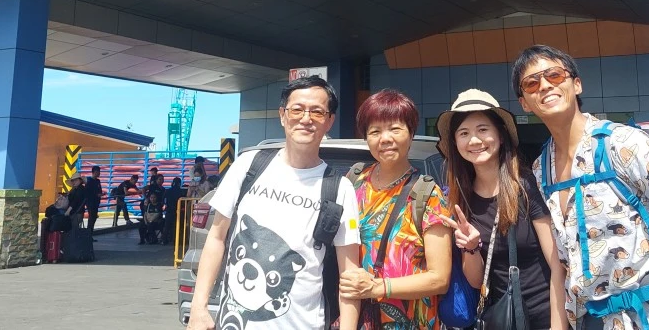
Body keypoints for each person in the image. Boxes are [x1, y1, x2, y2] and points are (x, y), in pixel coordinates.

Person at [514, 45, 649, 330]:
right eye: (532, 83)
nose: (545, 85)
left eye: (555, 75)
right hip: (592, 321)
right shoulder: (541, 169)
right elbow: (561, 265)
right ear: (524, 103)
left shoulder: (623, 143)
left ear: (576, 84)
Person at [187, 76, 362, 330]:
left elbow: (349, 275)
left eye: (317, 112)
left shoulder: (339, 188)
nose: (306, 119)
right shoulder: (248, 165)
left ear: (329, 121)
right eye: (297, 109)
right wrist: (198, 307)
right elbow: (216, 237)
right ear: (282, 115)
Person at [437, 89, 562, 329]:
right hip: (500, 319)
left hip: (546, 316)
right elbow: (477, 282)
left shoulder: (526, 186)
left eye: (483, 129)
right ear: (455, 142)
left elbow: (557, 264)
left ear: (501, 136)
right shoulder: (460, 198)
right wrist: (471, 247)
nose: (474, 140)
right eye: (464, 133)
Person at [338, 89, 452, 329]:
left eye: (395, 129)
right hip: (359, 319)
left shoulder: (427, 195)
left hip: (411, 322)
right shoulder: (354, 181)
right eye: (375, 131)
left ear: (411, 134)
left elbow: (439, 278)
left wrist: (377, 287)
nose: (385, 138)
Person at [163, 177, 186, 245]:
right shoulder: (181, 191)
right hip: (177, 210)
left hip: (169, 210)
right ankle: (175, 240)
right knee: (176, 226)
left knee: (167, 226)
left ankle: (164, 240)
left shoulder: (168, 191)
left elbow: (164, 200)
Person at [85, 165, 104, 231]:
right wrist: (96, 194)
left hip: (96, 202)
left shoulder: (98, 181)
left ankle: (91, 230)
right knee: (91, 216)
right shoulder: (89, 181)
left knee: (94, 216)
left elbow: (99, 190)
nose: (99, 173)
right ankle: (88, 231)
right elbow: (88, 192)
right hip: (90, 202)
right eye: (98, 172)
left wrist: (100, 194)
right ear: (94, 172)